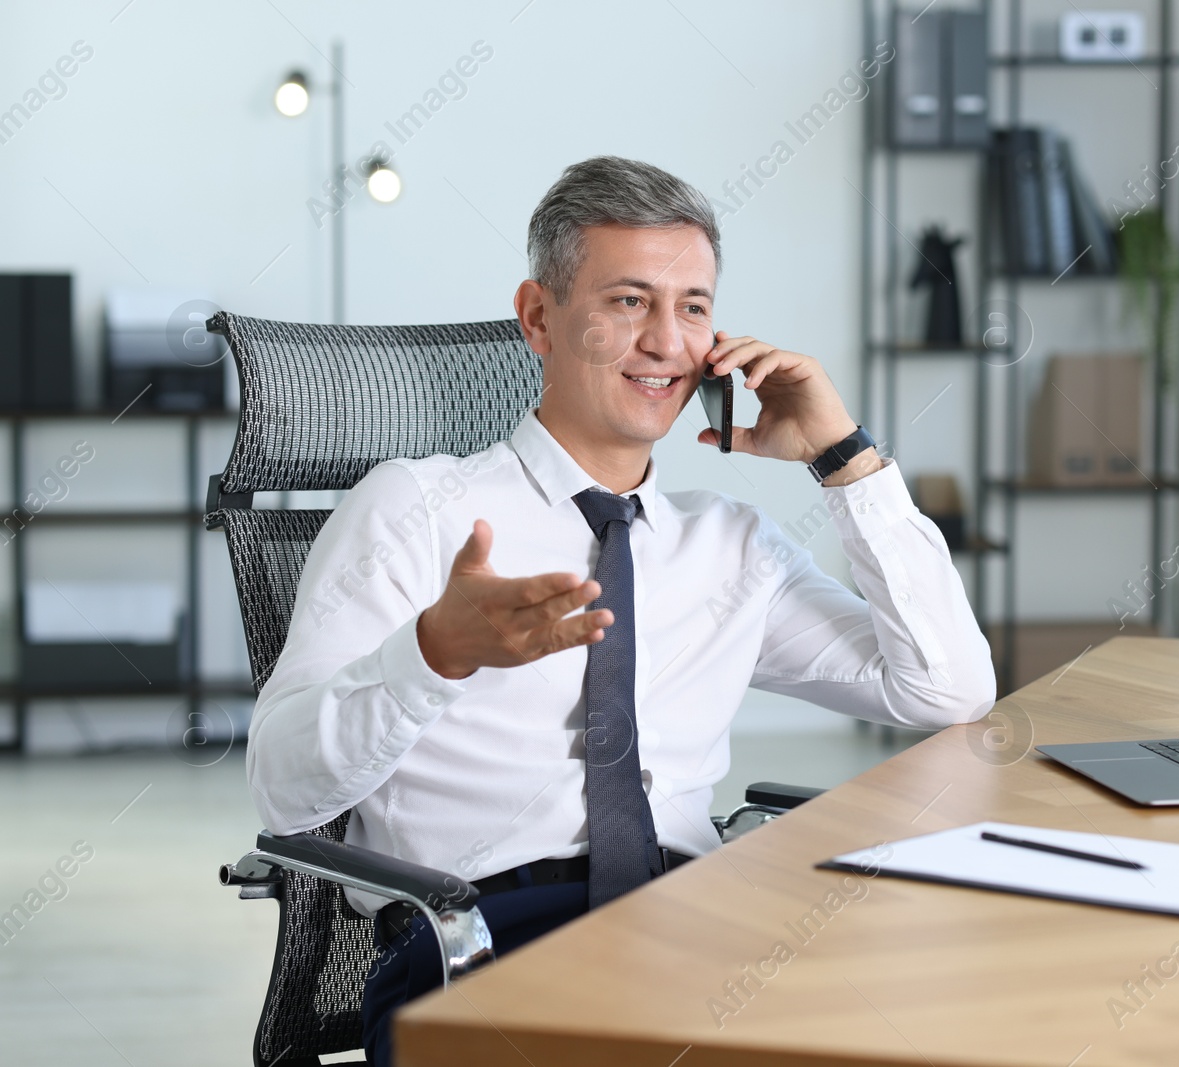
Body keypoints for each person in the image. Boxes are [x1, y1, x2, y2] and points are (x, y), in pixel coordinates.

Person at [245, 155, 995, 1065]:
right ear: (539, 317)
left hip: (699, 927)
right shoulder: (416, 509)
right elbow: (283, 791)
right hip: (484, 943)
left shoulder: (731, 546)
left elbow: (945, 690)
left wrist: (845, 458)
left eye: (693, 307)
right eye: (629, 301)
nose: (667, 343)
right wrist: (434, 654)